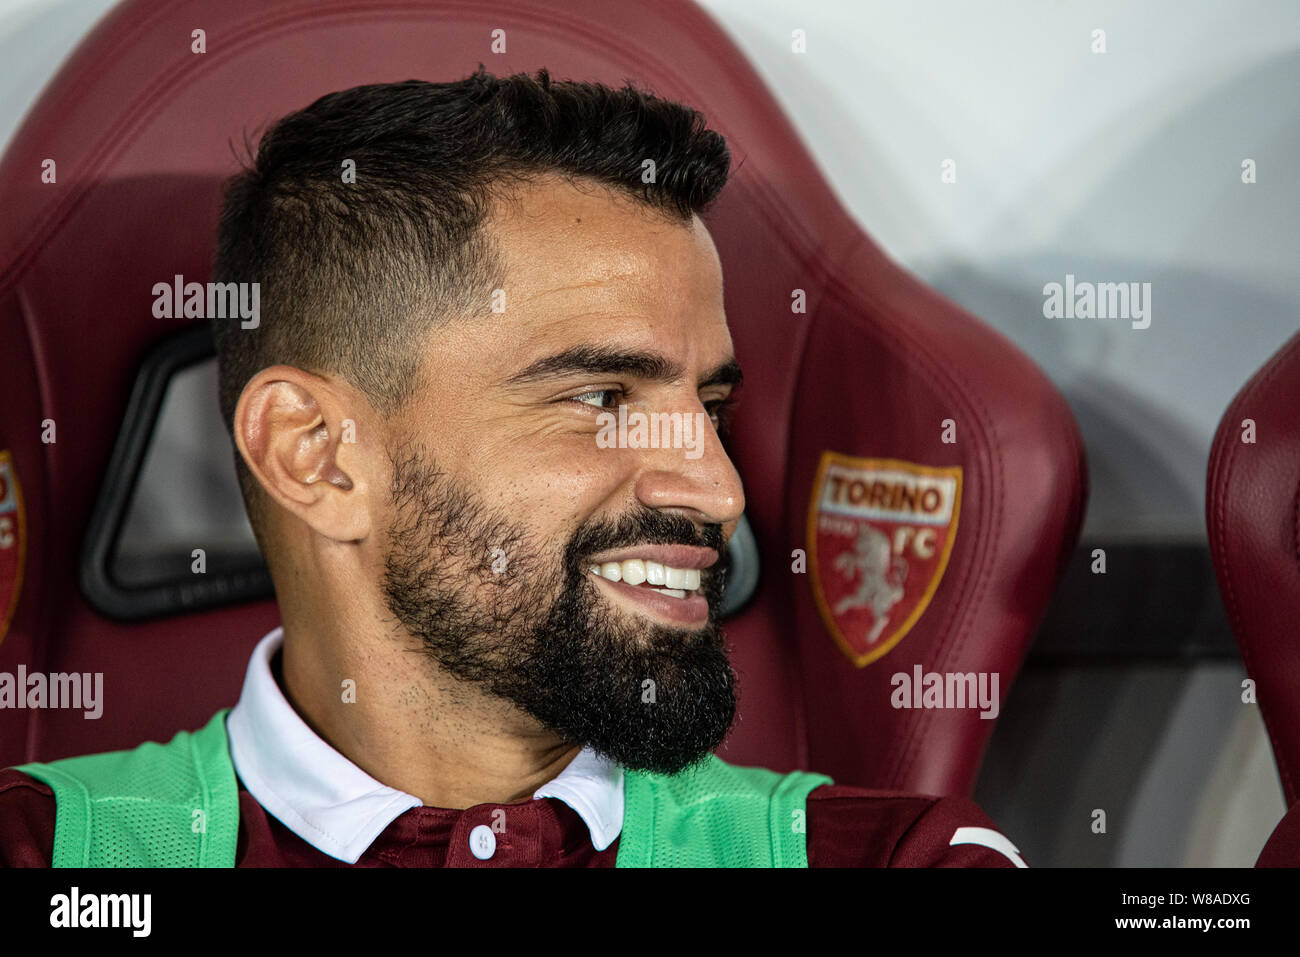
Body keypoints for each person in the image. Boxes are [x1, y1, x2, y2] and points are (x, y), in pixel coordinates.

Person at [0, 67, 1024, 867]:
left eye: (709, 407)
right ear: (315, 456)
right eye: (599, 399)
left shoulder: (896, 859)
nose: (717, 490)